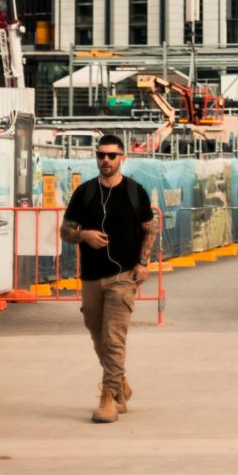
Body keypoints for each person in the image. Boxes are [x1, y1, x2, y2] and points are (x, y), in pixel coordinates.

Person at [60, 133, 158, 423]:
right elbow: (65, 231)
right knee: (97, 333)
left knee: (114, 336)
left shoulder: (134, 191)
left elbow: (149, 228)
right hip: (91, 276)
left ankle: (108, 397)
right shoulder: (85, 193)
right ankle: (121, 385)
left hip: (123, 276)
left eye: (111, 155)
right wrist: (83, 236)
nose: (106, 160)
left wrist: (143, 262)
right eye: (101, 155)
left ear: (122, 158)